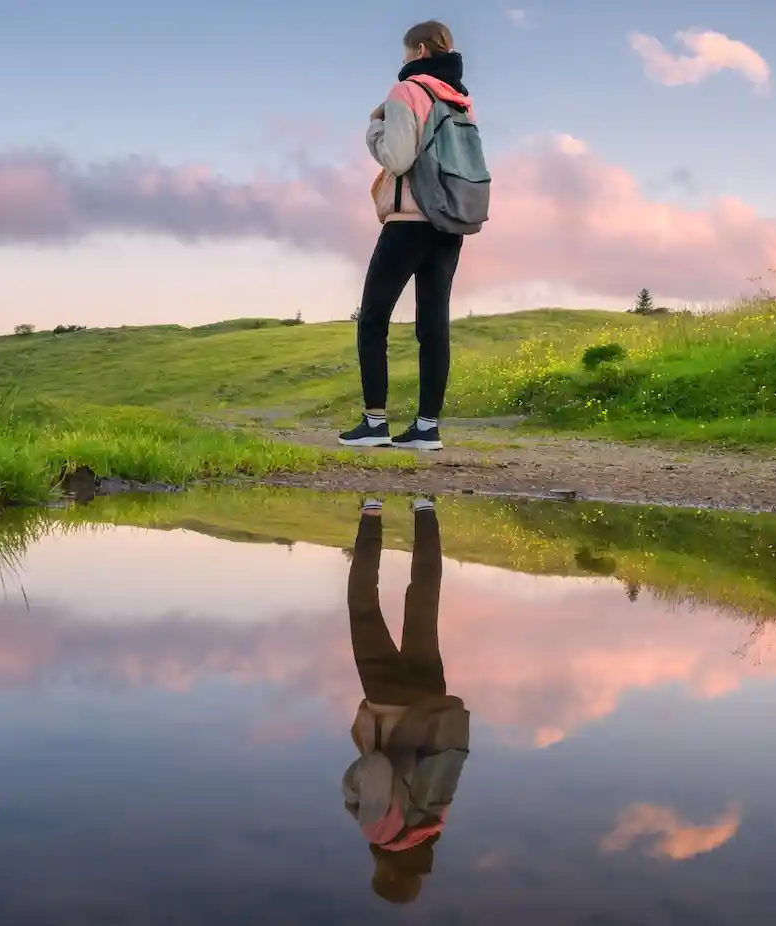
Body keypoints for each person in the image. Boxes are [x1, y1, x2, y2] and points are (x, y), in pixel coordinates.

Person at [337, 20, 476, 453]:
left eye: (403, 54)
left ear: (418, 50)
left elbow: (397, 159)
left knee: (373, 318)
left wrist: (375, 128)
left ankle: (375, 422)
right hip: (451, 221)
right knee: (433, 324)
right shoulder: (462, 101)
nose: (402, 62)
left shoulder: (407, 91)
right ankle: (426, 428)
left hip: (410, 220)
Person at [340, 497, 469, 905]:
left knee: (423, 604)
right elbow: (375, 766)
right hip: (388, 703)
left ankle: (425, 509)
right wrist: (351, 791)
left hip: (431, 702)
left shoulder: (434, 822)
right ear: (385, 872)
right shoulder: (382, 832)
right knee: (363, 606)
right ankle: (372, 512)